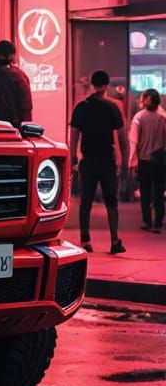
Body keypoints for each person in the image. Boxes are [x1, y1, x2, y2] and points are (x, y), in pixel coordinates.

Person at [70, 69, 129, 254]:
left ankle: (85, 240)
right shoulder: (112, 107)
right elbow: (122, 138)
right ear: (106, 86)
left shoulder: (81, 107)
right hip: (107, 160)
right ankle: (114, 241)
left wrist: (72, 156)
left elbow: (74, 136)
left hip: (88, 160)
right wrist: (125, 162)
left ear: (92, 85)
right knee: (111, 201)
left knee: (85, 200)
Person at [128, 88, 166, 232]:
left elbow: (134, 141)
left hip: (144, 160)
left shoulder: (139, 117)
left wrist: (132, 160)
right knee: (159, 192)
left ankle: (147, 222)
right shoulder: (162, 118)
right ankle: (158, 223)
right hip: (161, 160)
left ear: (145, 100)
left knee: (145, 192)